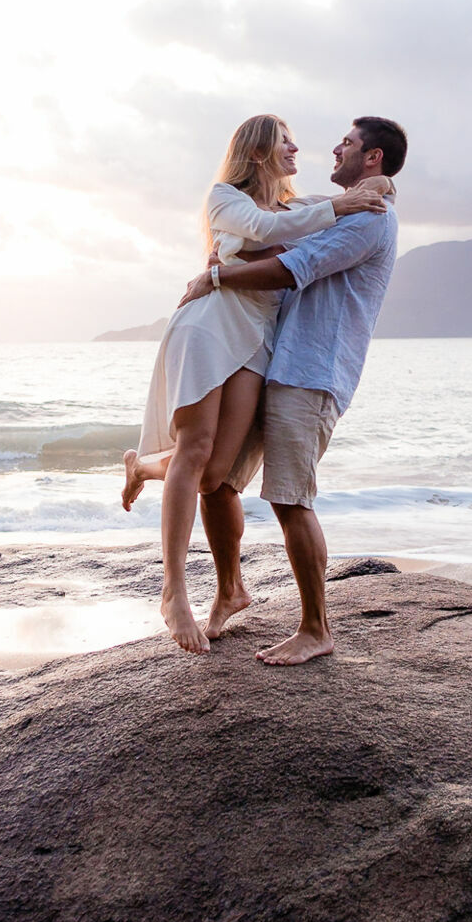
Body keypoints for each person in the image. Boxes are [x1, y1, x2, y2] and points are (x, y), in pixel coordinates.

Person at [122, 113, 390, 654]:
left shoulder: (296, 205)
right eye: (286, 141)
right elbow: (271, 233)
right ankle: (175, 593)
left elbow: (317, 215)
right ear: (261, 150)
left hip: (260, 342)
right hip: (210, 325)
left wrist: (377, 184)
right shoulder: (227, 197)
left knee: (215, 473)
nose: (298, 148)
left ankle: (147, 466)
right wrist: (345, 200)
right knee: (199, 452)